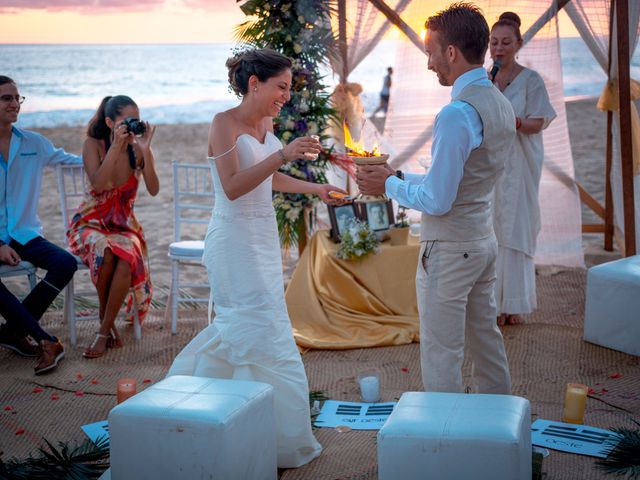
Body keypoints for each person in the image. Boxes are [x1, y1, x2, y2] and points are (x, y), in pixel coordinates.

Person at [166, 48, 347, 468]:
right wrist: (282, 154)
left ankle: (266, 431)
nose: (286, 95)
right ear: (254, 84)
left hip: (263, 240)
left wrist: (316, 189)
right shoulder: (222, 124)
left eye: (288, 87)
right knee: (250, 327)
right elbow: (232, 186)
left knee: (268, 327)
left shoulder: (266, 123)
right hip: (232, 241)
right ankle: (227, 420)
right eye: (281, 87)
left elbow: (268, 177)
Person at [356, 3, 514, 394]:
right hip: (482, 241)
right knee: (486, 341)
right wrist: (399, 176)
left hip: (450, 249)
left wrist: (388, 187)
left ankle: (448, 441)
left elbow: (439, 200)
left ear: (450, 52)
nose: (429, 63)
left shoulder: (456, 114)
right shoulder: (501, 104)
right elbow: (461, 180)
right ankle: (500, 427)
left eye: (431, 52)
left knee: (443, 351)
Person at [66, 95, 159, 359]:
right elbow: (98, 185)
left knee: (126, 255)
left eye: (136, 120)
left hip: (124, 226)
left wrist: (146, 151)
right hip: (90, 222)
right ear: (109, 122)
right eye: (126, 121)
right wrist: (116, 147)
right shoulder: (93, 145)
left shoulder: (137, 149)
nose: (132, 126)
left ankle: (103, 330)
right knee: (106, 250)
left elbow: (153, 189)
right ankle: (105, 324)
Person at [0, 75, 80, 374]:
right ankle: (45, 339)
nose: (14, 104)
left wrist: (115, 152)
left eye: (17, 98)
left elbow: (72, 161)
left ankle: (11, 332)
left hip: (24, 232)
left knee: (64, 262)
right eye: (6, 98)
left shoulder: (34, 143)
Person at [489, 12, 556, 326]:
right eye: (494, 43)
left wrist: (514, 121)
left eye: (505, 42)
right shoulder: (484, 79)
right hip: (491, 168)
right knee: (491, 230)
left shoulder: (531, 80)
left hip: (522, 164)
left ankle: (513, 303)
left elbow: (538, 122)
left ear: (518, 44)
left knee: (516, 227)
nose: (499, 48)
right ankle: (492, 304)